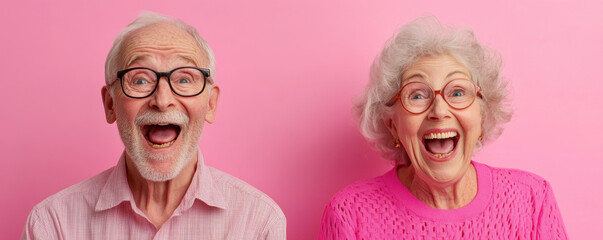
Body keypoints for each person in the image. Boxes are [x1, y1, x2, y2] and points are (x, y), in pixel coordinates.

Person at [22, 12, 286, 239]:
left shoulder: (259, 224)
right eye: (139, 80)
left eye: (184, 79)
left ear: (211, 104)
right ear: (110, 104)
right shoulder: (51, 225)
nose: (162, 100)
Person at [319, 17, 567, 239]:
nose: (439, 111)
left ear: (482, 114)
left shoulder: (532, 200)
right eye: (417, 95)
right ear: (393, 126)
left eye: (457, 92)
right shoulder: (349, 215)